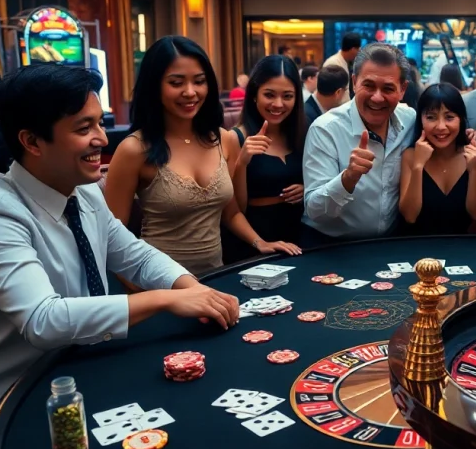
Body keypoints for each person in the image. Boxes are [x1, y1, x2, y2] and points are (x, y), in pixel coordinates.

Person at [0, 64, 240, 449]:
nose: (101, 139)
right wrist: (164, 300)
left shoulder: (85, 192)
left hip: (73, 377)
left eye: (99, 123)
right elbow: (44, 320)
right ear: (32, 141)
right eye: (83, 128)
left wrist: (190, 286)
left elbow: (136, 255)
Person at [105, 36, 299, 276]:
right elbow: (113, 240)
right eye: (176, 83)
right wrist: (141, 294)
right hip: (160, 285)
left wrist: (260, 242)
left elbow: (232, 212)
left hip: (215, 280)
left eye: (199, 81)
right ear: (154, 86)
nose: (190, 92)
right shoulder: (134, 149)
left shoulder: (223, 140)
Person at [302, 42, 415, 244]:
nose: (377, 97)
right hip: (331, 247)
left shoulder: (410, 120)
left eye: (388, 88)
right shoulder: (326, 129)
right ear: (354, 82)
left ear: (402, 89)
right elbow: (314, 209)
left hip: (388, 244)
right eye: (369, 86)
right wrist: (348, 178)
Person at [229, 55, 307, 246]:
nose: (278, 104)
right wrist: (243, 162)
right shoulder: (235, 137)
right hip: (254, 239)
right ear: (255, 94)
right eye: (269, 95)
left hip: (301, 235)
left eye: (287, 96)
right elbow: (234, 210)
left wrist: (308, 190)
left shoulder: (303, 132)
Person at [399, 83, 476, 234]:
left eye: (449, 117)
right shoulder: (410, 156)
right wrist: (418, 166)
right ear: (420, 120)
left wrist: (473, 170)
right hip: (419, 250)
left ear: (461, 119)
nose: (441, 126)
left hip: (462, 249)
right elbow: (410, 216)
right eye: (431, 117)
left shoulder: (473, 154)